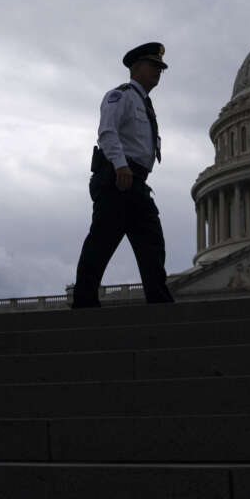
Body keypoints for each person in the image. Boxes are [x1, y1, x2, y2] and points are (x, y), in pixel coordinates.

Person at [72, 42, 176, 308]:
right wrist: (120, 165)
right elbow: (107, 132)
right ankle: (84, 300)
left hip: (136, 182)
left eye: (160, 68)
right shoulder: (120, 96)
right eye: (154, 66)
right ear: (136, 67)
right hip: (117, 180)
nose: (158, 72)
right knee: (101, 242)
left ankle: (159, 300)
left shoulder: (144, 103)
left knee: (152, 243)